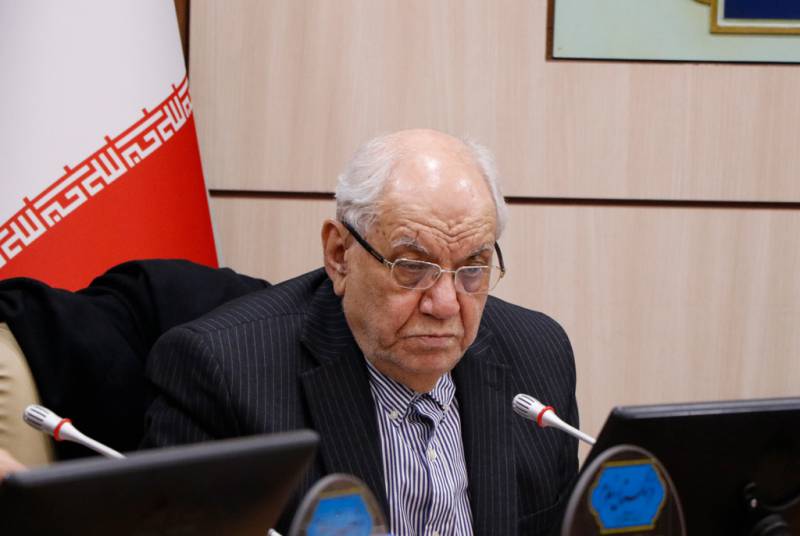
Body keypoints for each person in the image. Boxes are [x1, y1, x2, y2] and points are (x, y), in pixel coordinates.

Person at [142, 129, 579, 535]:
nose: (446, 304)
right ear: (339, 255)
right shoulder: (223, 375)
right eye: (412, 266)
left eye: (472, 268)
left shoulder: (539, 355)